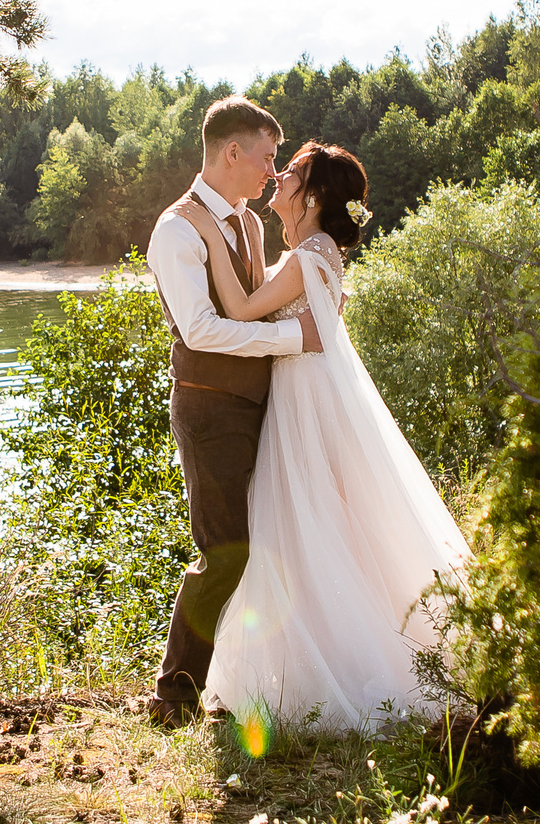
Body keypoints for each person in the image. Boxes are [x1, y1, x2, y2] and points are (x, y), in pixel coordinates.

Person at [176, 140, 470, 733]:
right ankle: (313, 652)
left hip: (301, 400)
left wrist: (207, 232)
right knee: (319, 522)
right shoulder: (318, 254)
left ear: (310, 197)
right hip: (305, 392)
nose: (278, 176)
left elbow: (240, 309)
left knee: (301, 521)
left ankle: (313, 668)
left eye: (291, 172)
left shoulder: (307, 256)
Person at [138, 96, 320, 728]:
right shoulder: (177, 230)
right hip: (209, 408)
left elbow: (254, 301)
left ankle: (252, 681)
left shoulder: (247, 223)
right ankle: (173, 694)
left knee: (267, 540)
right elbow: (200, 330)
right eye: (267, 158)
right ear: (232, 152)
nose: (273, 172)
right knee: (224, 552)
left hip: (262, 402)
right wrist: (294, 339)